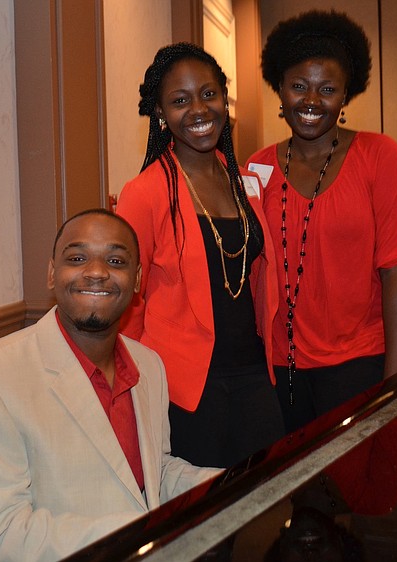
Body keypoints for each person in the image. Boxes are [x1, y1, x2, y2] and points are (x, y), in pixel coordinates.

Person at [0, 209, 220, 562]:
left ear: (137, 279)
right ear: (51, 274)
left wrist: (236, 484)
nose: (97, 271)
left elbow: (154, 474)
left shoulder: (149, 365)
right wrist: (140, 533)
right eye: (77, 258)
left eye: (115, 261)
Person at [246, 10, 397, 432]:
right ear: (280, 89)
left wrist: (396, 379)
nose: (311, 101)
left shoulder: (379, 157)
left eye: (327, 89)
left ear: (346, 95)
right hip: (279, 368)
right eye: (298, 86)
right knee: (293, 474)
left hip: (359, 364)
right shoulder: (256, 168)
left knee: (354, 474)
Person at [116, 43, 286, 469]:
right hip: (184, 389)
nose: (198, 109)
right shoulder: (145, 192)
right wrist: (133, 388)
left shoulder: (243, 181)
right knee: (199, 506)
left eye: (208, 94)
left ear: (224, 100)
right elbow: (128, 302)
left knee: (264, 494)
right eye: (180, 100)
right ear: (160, 112)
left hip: (253, 374)